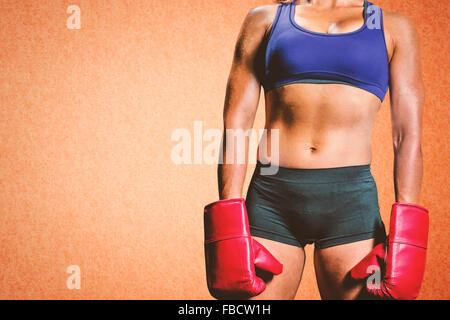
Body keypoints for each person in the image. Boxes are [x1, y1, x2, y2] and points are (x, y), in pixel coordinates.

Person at [203, 0, 429, 300]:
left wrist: (407, 237)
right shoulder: (267, 19)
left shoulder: (392, 26)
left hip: (350, 205)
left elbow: (407, 134)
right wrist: (228, 218)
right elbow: (236, 121)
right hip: (272, 200)